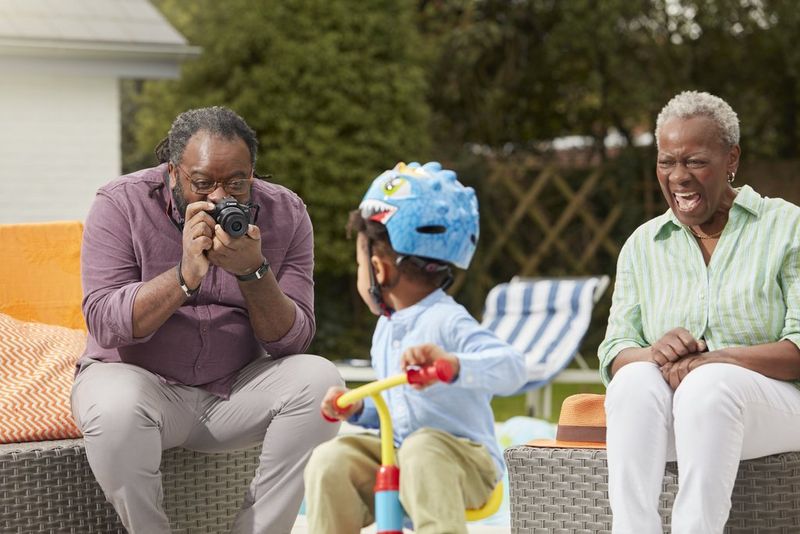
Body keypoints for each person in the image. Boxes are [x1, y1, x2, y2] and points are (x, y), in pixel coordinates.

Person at [70, 106, 343, 534]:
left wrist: (254, 272)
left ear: (253, 173)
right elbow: (103, 321)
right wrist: (183, 277)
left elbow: (292, 341)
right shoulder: (120, 204)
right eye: (203, 183)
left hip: (233, 394)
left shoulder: (286, 213)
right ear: (174, 172)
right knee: (114, 406)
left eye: (237, 183)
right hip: (143, 386)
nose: (220, 198)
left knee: (322, 383)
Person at [599, 90, 800, 533]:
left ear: (731, 159)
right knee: (633, 379)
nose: (678, 177)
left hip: (777, 410)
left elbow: (797, 349)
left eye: (695, 161)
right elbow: (615, 350)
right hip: (675, 417)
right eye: (666, 162)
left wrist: (715, 359)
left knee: (707, 385)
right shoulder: (643, 245)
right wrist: (654, 351)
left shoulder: (787, 227)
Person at [303, 161, 526, 534]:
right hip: (403, 454)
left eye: (359, 263)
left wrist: (453, 365)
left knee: (422, 450)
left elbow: (512, 367)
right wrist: (361, 408)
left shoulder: (447, 320)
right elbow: (400, 408)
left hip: (467, 464)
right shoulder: (386, 330)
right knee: (331, 460)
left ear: (379, 270)